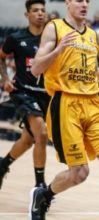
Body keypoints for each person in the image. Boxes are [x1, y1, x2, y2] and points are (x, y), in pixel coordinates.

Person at [29, 0, 99, 219]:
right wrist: (58, 50)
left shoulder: (93, 35)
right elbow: (36, 68)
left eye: (87, 0)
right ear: (68, 3)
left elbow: (93, 71)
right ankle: (45, 195)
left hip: (93, 103)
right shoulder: (54, 28)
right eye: (79, 0)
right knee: (79, 174)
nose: (84, 4)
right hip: (65, 104)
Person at [0, 0, 49, 191]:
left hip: (47, 95)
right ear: (27, 14)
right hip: (24, 93)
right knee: (42, 134)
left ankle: (3, 165)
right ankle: (40, 187)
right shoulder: (16, 38)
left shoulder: (52, 39)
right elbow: (1, 57)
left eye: (43, 10)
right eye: (35, 10)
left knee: (28, 141)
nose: (40, 14)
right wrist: (5, 79)